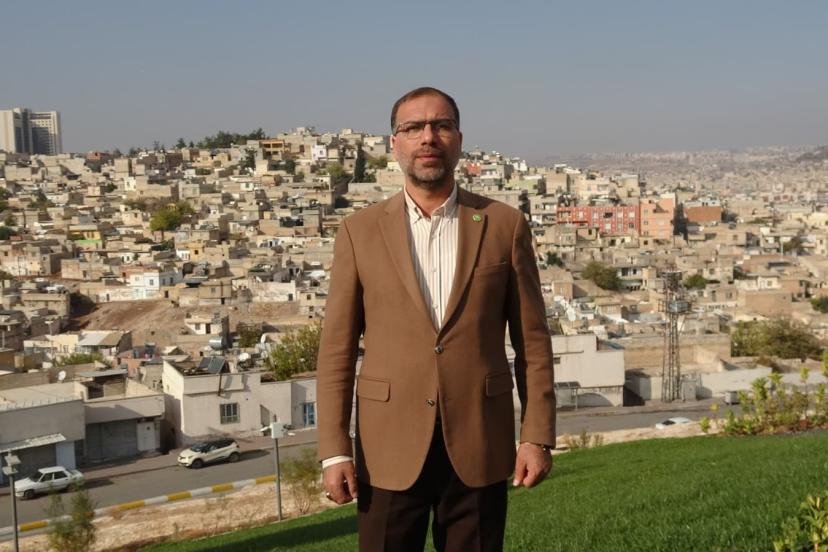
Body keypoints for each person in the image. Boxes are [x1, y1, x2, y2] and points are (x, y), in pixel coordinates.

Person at [317, 86, 556, 552]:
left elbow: (532, 341)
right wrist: (334, 450)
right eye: (413, 128)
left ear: (459, 140)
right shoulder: (359, 232)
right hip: (387, 448)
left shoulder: (504, 225)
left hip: (479, 442)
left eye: (441, 125)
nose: (428, 137)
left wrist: (537, 436)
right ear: (394, 144)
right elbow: (336, 351)